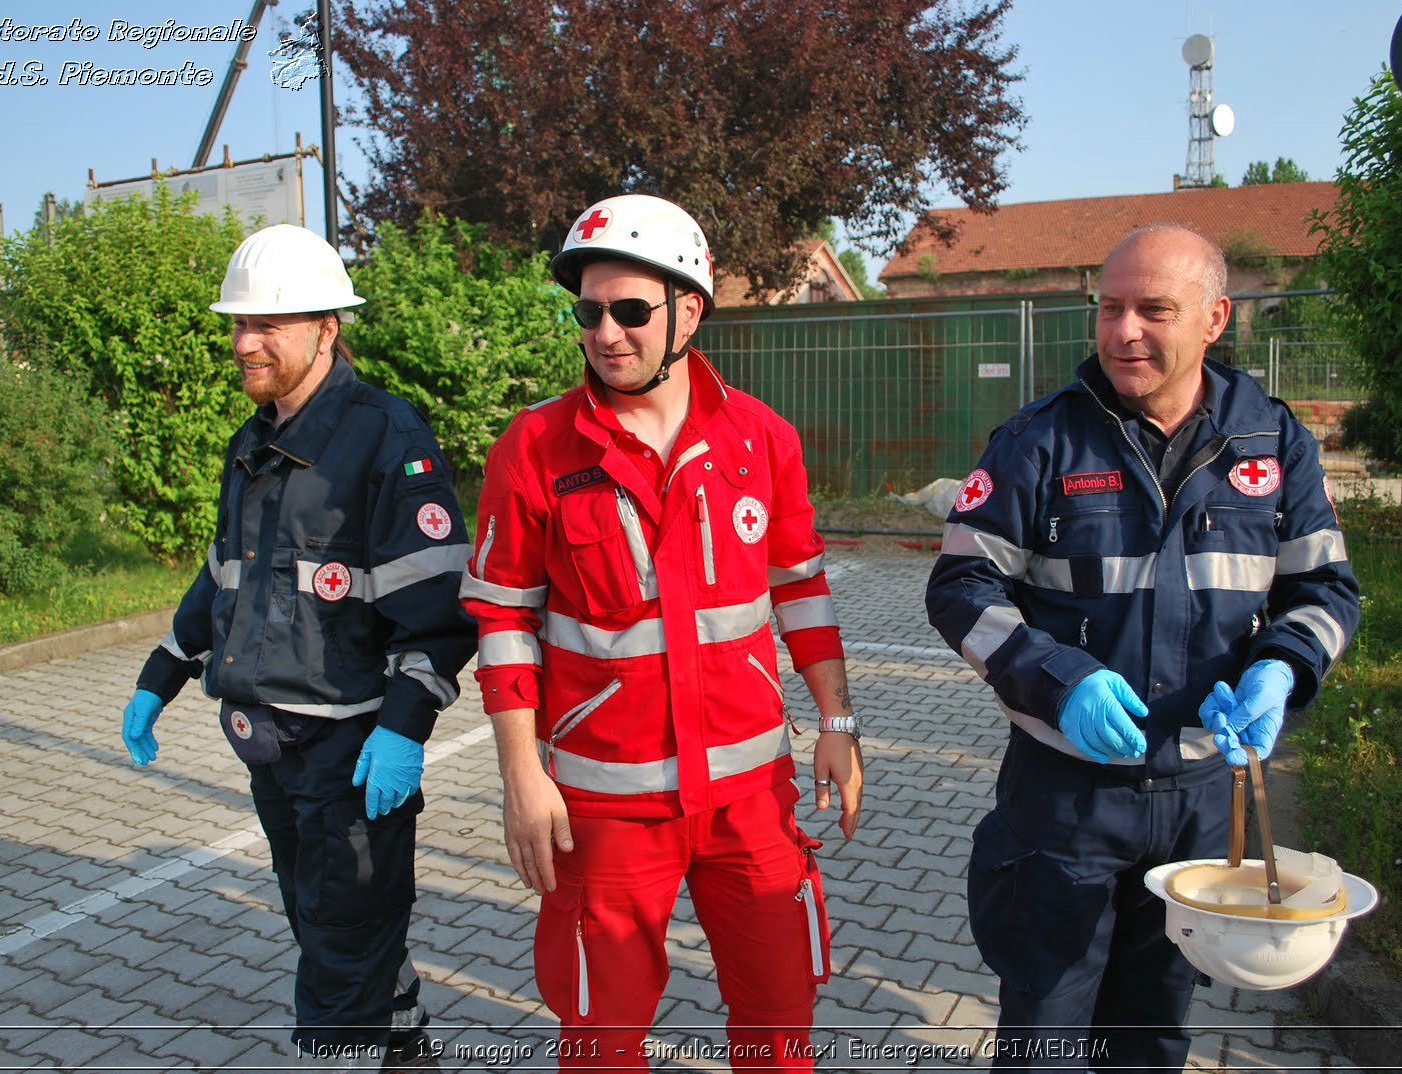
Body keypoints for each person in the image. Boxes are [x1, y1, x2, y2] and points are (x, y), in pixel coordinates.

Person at [924, 224, 1360, 1070]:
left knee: (1152, 1035)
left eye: (1153, 310)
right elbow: (961, 587)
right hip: (1066, 801)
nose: (1124, 330)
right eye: (1110, 308)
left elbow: (1326, 589)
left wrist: (1283, 666)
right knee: (1043, 1038)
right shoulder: (1038, 442)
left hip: (1203, 799)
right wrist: (1062, 681)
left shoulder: (1272, 443)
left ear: (1214, 318)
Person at [460, 194, 863, 1070]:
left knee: (780, 1025)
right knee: (601, 1042)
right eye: (589, 311)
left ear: (690, 311)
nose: (606, 332)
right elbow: (502, 620)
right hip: (605, 810)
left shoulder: (763, 441)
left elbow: (800, 588)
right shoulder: (534, 448)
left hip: (752, 799)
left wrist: (836, 723)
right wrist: (521, 776)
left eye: (631, 310)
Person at [118, 224, 475, 1071]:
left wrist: (404, 727)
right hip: (269, 750)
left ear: (327, 328)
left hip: (349, 757)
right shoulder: (253, 442)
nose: (246, 342)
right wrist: (161, 671)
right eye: (239, 323)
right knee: (327, 930)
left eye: (269, 323)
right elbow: (224, 578)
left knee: (341, 954)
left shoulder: (387, 438)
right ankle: (406, 1049)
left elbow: (437, 610)